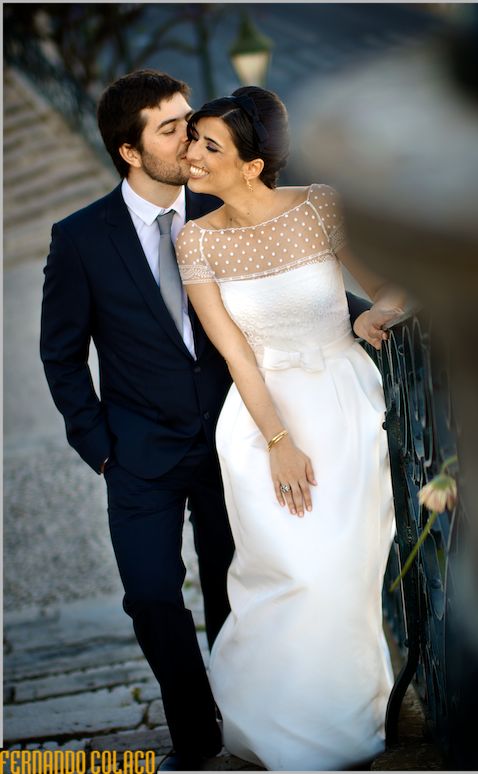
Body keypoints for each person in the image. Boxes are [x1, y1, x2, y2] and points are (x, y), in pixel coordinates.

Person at [39, 70, 373, 772]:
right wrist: (100, 448)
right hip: (138, 452)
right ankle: (195, 731)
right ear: (130, 152)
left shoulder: (222, 197)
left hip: (236, 438)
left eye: (192, 121)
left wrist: (359, 316)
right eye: (171, 128)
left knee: (242, 589)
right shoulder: (80, 240)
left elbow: (296, 272)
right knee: (152, 594)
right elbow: (61, 354)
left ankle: (247, 712)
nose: (189, 136)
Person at [175, 85, 405, 771]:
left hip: (342, 404)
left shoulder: (319, 206)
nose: (189, 153)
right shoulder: (196, 240)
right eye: (192, 140)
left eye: (207, 145)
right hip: (259, 422)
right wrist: (277, 442)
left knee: (341, 572)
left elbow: (390, 285)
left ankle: (349, 719)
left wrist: (368, 317)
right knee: (287, 572)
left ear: (252, 164)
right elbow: (235, 352)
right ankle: (272, 722)